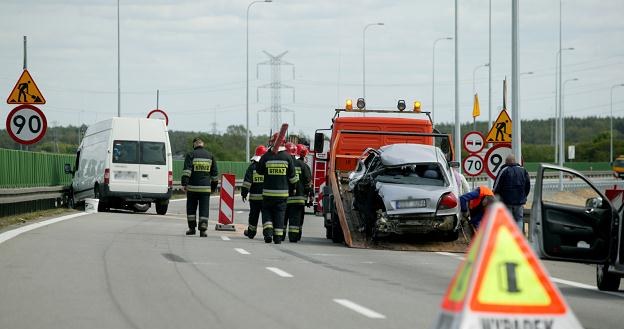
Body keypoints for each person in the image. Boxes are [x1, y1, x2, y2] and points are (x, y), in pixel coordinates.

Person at [255, 133, 298, 244]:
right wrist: (293, 189)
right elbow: (293, 178)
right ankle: (278, 237)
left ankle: (268, 233)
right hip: (282, 195)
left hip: (268, 194)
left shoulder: (266, 156)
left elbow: (259, 171)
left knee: (267, 212)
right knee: (280, 214)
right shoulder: (288, 157)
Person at [181, 137, 219, 237]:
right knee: (204, 208)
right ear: (203, 144)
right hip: (205, 188)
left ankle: (192, 229)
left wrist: (184, 184)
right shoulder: (210, 156)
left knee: (191, 209)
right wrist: (213, 188)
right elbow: (215, 174)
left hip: (192, 188)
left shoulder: (191, 154)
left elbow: (187, 171)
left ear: (194, 144)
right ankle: (203, 229)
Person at [493, 154, 531, 232]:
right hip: (519, 201)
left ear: (506, 162)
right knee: (519, 219)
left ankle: (510, 238)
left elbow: (496, 186)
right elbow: (528, 185)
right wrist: (524, 196)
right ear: (515, 161)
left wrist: (496, 196)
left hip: (507, 201)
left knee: (508, 220)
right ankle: (518, 237)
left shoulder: (504, 170)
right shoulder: (523, 170)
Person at [284, 143, 312, 242]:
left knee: (283, 218)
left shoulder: (285, 164)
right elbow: (308, 183)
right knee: (296, 219)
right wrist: (310, 196)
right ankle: (294, 237)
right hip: (299, 199)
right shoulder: (304, 166)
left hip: (285, 197)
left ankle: (280, 235)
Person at [242, 145, 268, 239]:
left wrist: (244, 193)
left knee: (253, 215)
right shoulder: (268, 167)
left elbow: (247, 183)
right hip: (266, 197)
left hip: (254, 198)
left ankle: (251, 232)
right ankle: (267, 233)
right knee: (266, 216)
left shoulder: (252, 167)